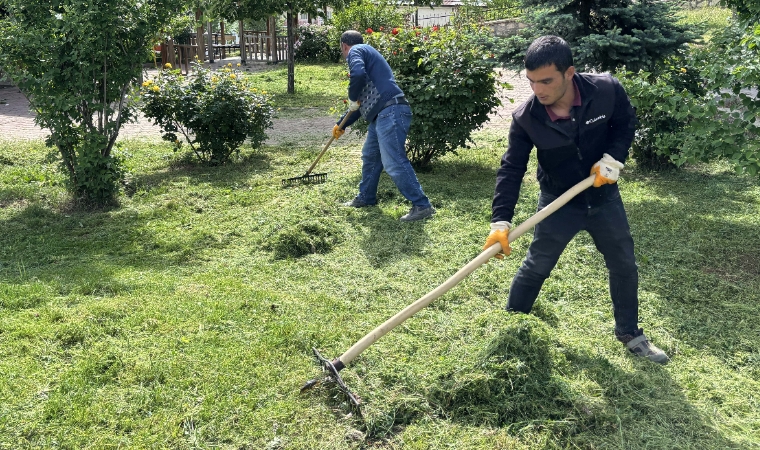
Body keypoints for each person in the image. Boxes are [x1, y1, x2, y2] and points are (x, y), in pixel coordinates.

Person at [483, 35, 669, 364]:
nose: (538, 90)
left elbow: (625, 123)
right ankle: (511, 326)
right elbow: (511, 169)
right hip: (559, 201)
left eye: (546, 81)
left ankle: (630, 333)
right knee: (536, 265)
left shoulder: (606, 90)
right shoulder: (527, 118)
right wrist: (501, 220)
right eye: (531, 81)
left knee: (624, 264)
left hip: (603, 198)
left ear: (569, 73)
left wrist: (613, 158)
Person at [332, 30, 435, 222]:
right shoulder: (367, 59)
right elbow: (359, 104)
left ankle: (422, 205)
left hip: (390, 111)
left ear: (344, 46)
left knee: (393, 161)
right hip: (382, 114)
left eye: (342, 50)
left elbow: (357, 76)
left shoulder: (356, 51)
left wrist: (352, 97)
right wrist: (341, 125)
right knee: (370, 156)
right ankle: (366, 197)